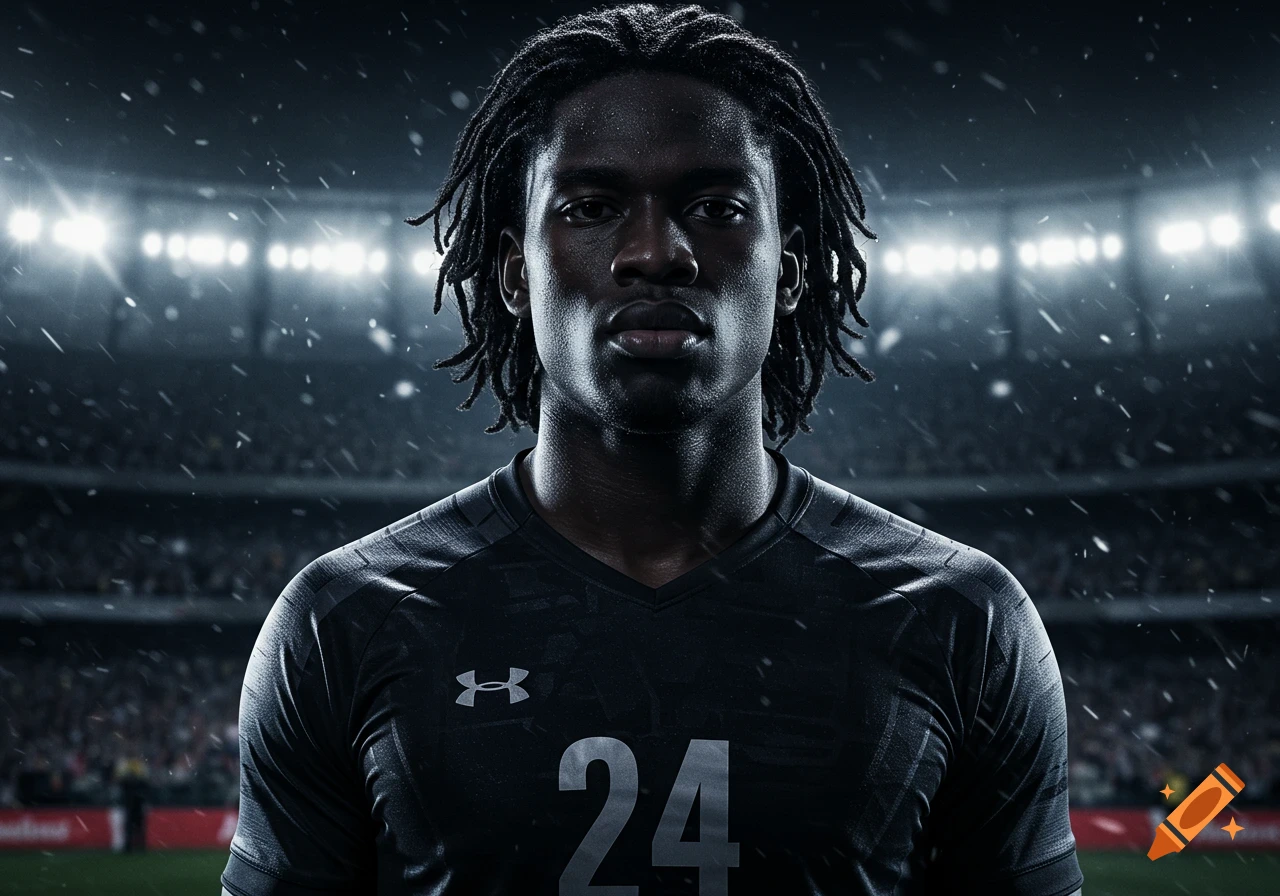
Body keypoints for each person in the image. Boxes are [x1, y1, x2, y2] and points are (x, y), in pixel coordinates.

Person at [221, 5, 1084, 894]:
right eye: (592, 208)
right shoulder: (345, 620)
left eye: (714, 207)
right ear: (517, 275)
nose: (653, 253)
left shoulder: (961, 618)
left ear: (787, 273)